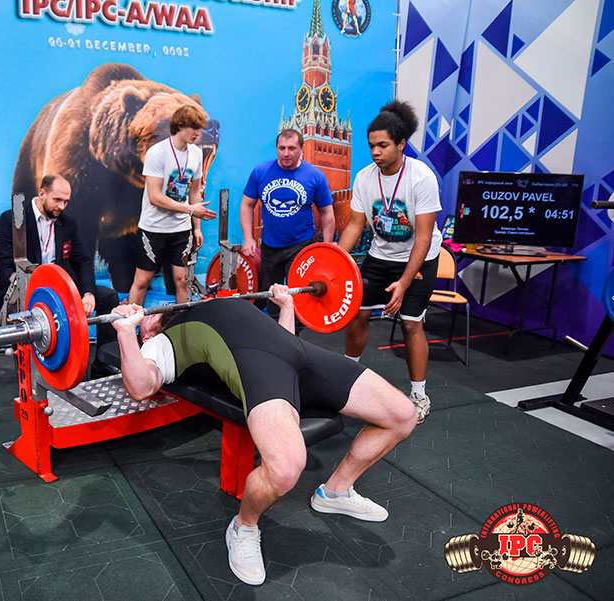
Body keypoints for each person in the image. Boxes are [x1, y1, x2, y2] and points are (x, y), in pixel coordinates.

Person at [110, 289, 417, 586]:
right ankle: (243, 526)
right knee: (285, 468)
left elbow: (282, 338)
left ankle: (335, 492)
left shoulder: (197, 310)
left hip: (297, 354)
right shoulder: (161, 341)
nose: (149, 313)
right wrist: (126, 332)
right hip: (263, 369)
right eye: (144, 320)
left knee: (403, 415)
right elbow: (141, 386)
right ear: (145, 336)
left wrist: (286, 306)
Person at [338, 100, 443, 423]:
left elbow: (423, 238)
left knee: (411, 323)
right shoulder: (365, 178)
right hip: (380, 256)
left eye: (382, 145)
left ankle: (419, 395)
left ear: (401, 144)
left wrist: (404, 282)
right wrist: (336, 261)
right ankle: (344, 379)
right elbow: (355, 225)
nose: (375, 152)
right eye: (371, 145)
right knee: (357, 315)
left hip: (419, 259)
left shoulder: (421, 177)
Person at [0, 174, 120, 377]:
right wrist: (29, 290)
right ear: (42, 193)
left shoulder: (68, 223)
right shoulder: (13, 219)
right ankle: (34, 375)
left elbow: (83, 261)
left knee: (109, 297)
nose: (62, 206)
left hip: (58, 288)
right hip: (25, 290)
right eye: (57, 200)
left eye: (66, 201)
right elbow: (4, 265)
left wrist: (88, 294)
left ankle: (102, 366)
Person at [240, 129, 335, 320]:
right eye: (281, 148)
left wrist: (326, 245)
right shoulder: (261, 172)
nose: (286, 153)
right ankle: (275, 331)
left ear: (301, 149)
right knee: (273, 298)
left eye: (291, 148)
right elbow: (247, 205)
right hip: (270, 246)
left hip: (300, 246)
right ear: (276, 148)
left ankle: (294, 332)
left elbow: (327, 212)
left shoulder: (315, 175)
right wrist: (248, 238)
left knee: (298, 296)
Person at [128, 105, 217, 306]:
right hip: (153, 228)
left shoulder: (196, 153)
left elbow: (194, 191)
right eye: (194, 128)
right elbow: (155, 197)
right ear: (180, 126)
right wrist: (191, 210)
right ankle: (131, 324)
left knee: (182, 281)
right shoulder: (157, 152)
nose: (198, 133)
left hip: (181, 229)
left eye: (200, 128)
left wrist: (196, 228)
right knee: (142, 282)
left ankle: (180, 323)